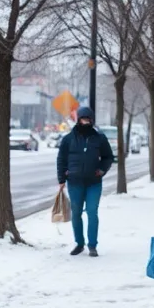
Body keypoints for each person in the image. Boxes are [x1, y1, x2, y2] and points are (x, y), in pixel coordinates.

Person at [56, 106, 114, 257]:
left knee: (92, 212)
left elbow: (108, 157)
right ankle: (79, 243)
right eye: (83, 119)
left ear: (92, 120)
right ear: (78, 120)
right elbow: (61, 159)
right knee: (76, 213)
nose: (85, 122)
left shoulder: (99, 138)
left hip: (94, 182)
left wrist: (101, 170)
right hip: (74, 182)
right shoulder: (68, 139)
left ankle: (92, 245)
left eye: (88, 119)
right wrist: (62, 178)